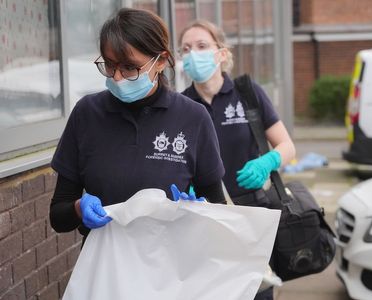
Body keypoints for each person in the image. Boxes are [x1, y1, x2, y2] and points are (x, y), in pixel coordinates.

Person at [49, 8, 226, 241]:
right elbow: (57, 217)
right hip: (106, 265)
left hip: (172, 267)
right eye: (110, 65)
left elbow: (219, 209)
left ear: (161, 61)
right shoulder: (87, 114)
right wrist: (79, 208)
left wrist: (201, 213)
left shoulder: (192, 117)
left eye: (130, 67)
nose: (117, 77)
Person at [179, 20, 296, 300]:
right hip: (205, 219)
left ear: (221, 53)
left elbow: (287, 146)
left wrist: (266, 162)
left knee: (256, 292)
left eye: (202, 46)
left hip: (251, 214)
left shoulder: (247, 93)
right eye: (185, 49)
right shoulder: (181, 106)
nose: (193, 53)